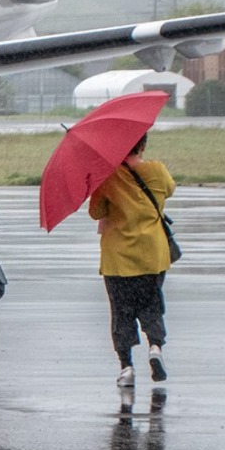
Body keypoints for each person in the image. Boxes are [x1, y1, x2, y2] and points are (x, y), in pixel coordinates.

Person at [88, 131, 176, 388]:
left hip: (118, 259)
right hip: (152, 254)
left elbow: (96, 212)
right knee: (151, 304)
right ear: (143, 145)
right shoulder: (157, 170)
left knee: (121, 312)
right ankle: (155, 347)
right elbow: (169, 190)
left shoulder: (107, 176)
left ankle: (126, 367)